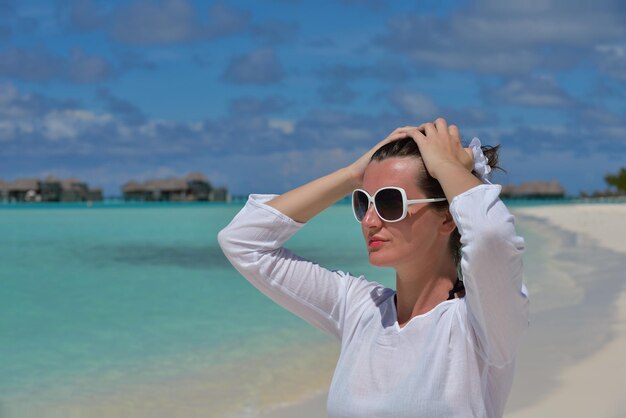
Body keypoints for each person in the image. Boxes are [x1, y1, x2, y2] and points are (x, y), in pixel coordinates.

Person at [218, 118, 529, 418]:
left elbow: (491, 236)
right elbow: (244, 241)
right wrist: (353, 174)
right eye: (363, 202)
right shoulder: (360, 310)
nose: (369, 220)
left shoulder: (481, 322)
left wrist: (447, 166)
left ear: (447, 217)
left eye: (390, 203)